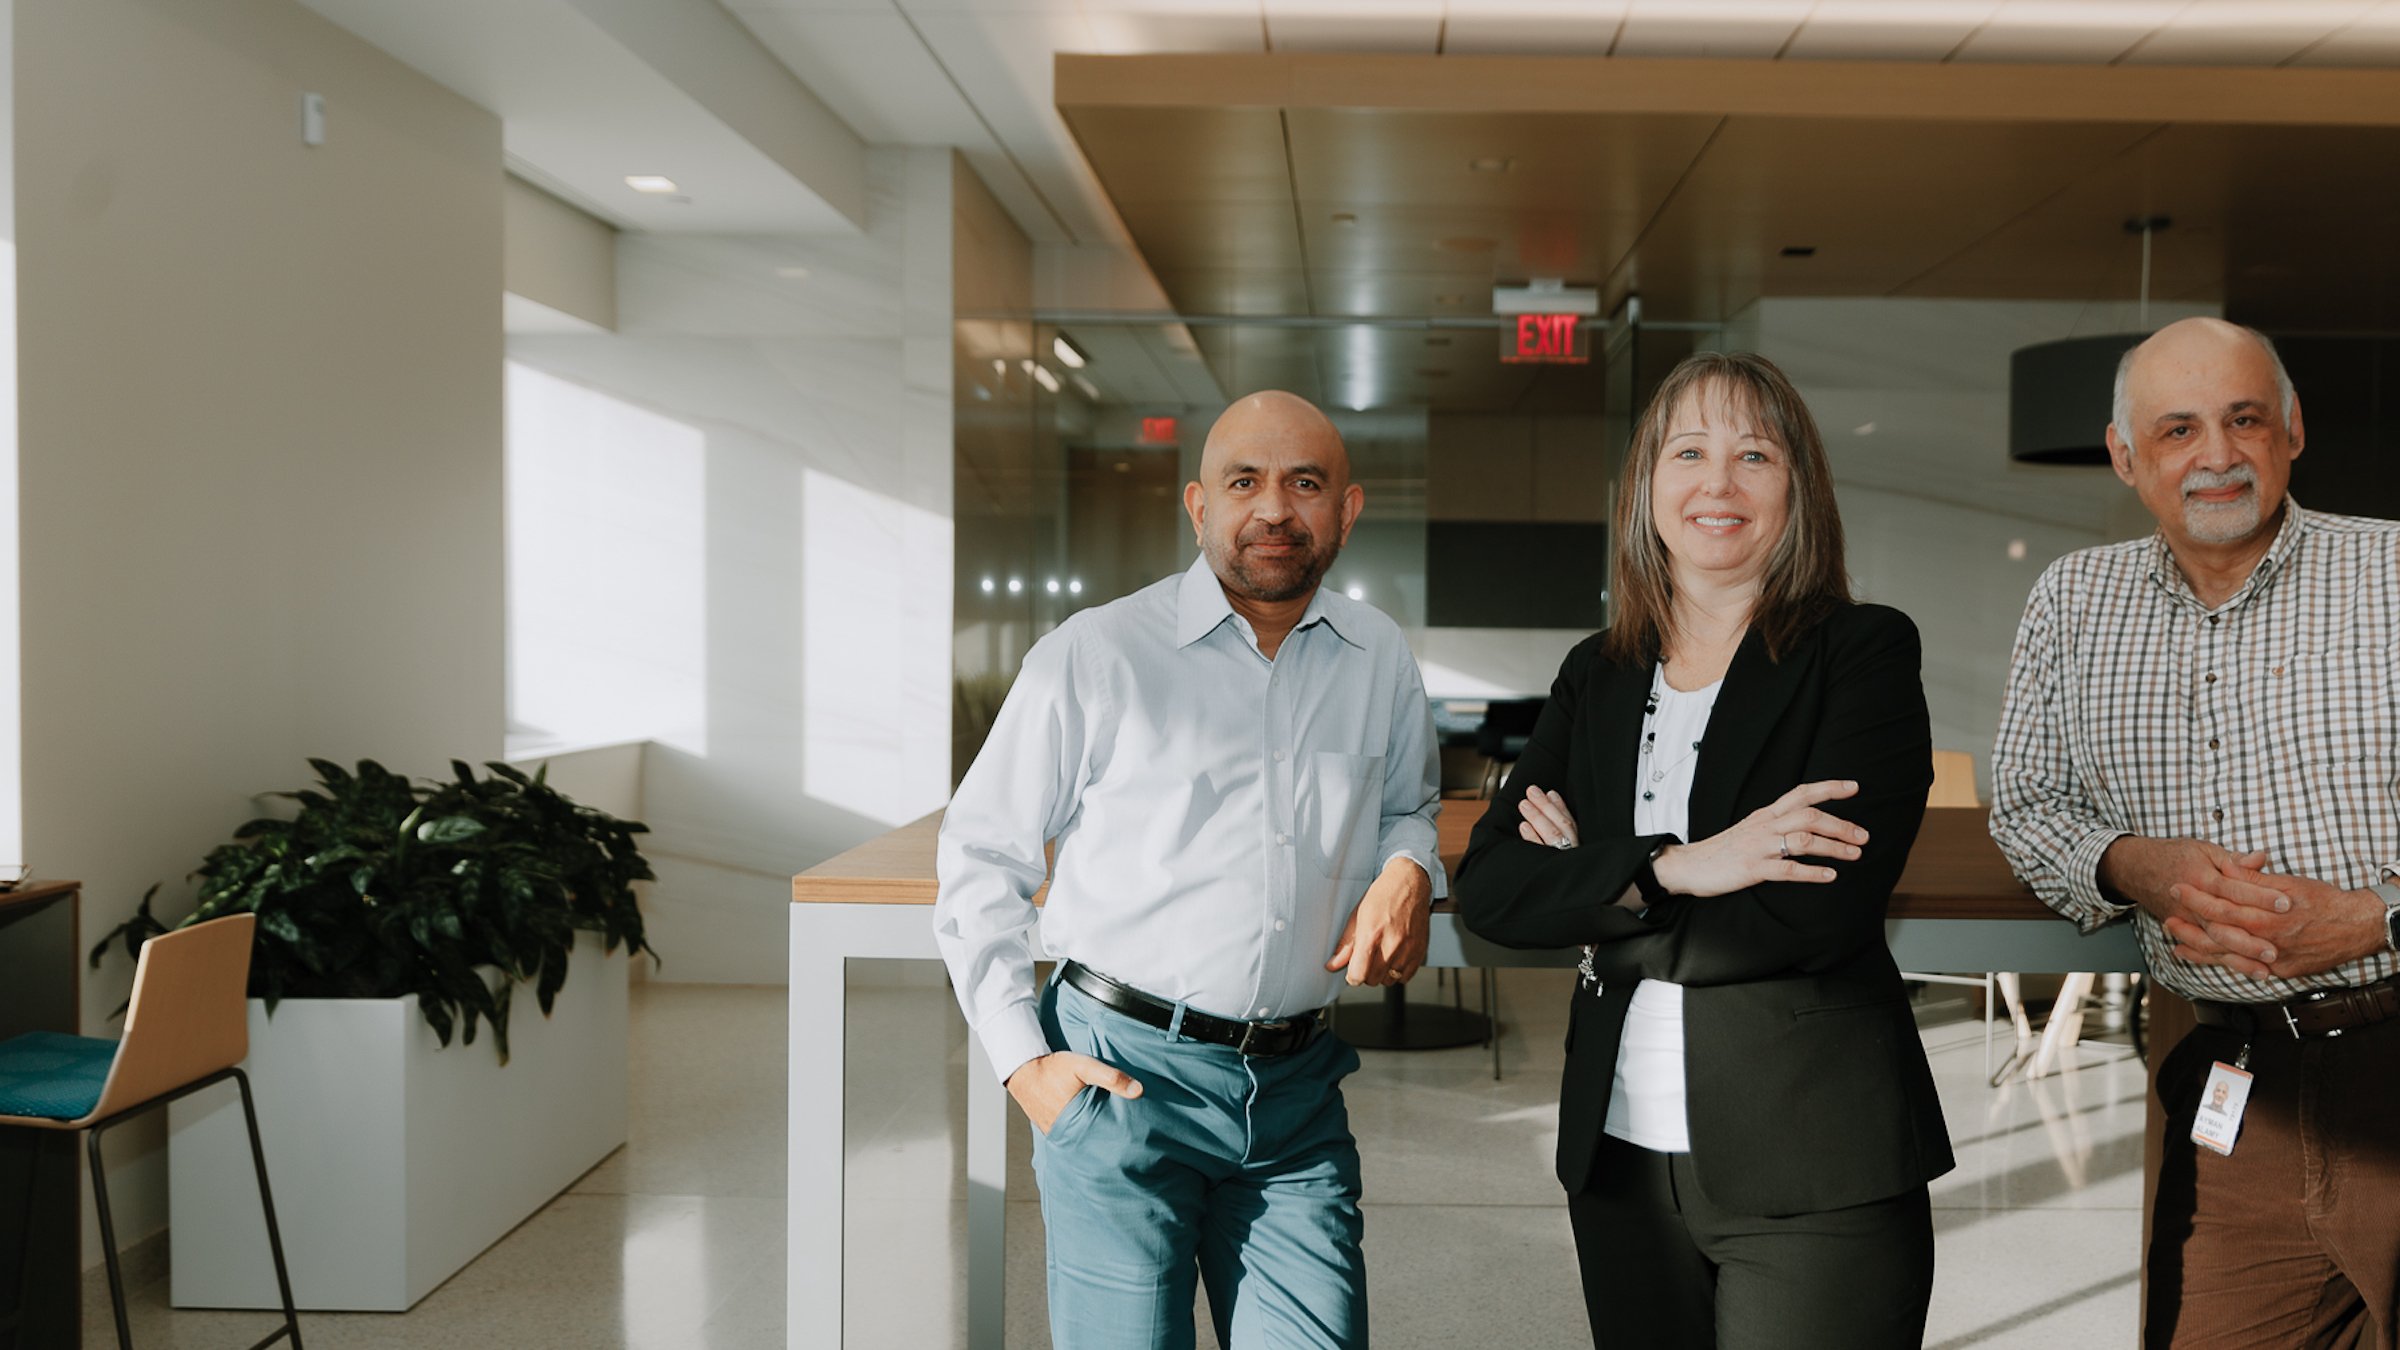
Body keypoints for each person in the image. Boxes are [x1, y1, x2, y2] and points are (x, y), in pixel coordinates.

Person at [1454, 351, 1951, 1350]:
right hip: (1620, 1159)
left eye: (1754, 455)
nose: (1717, 484)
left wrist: (1596, 890)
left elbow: (1813, 916)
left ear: (1796, 489)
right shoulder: (1596, 674)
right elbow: (1494, 892)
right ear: (1646, 487)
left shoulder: (1861, 654)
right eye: (1688, 452)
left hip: (1813, 1168)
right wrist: (1679, 865)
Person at [933, 390, 1443, 1350]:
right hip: (1121, 1082)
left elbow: (1406, 807)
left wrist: (1408, 865)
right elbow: (979, 856)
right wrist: (1024, 1065)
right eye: (1244, 482)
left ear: (1348, 509)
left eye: (1306, 483)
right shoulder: (1094, 653)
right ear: (1198, 506)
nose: (1275, 510)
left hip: (1295, 1100)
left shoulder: (1378, 657)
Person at [1989, 316, 2400, 1350]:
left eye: (2243, 419)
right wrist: (2133, 867)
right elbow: (2028, 807)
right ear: (2125, 456)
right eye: (2177, 430)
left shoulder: (2392, 576)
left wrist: (2373, 920)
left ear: (2292, 431)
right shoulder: (2072, 604)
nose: (2216, 455)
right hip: (2236, 1092)